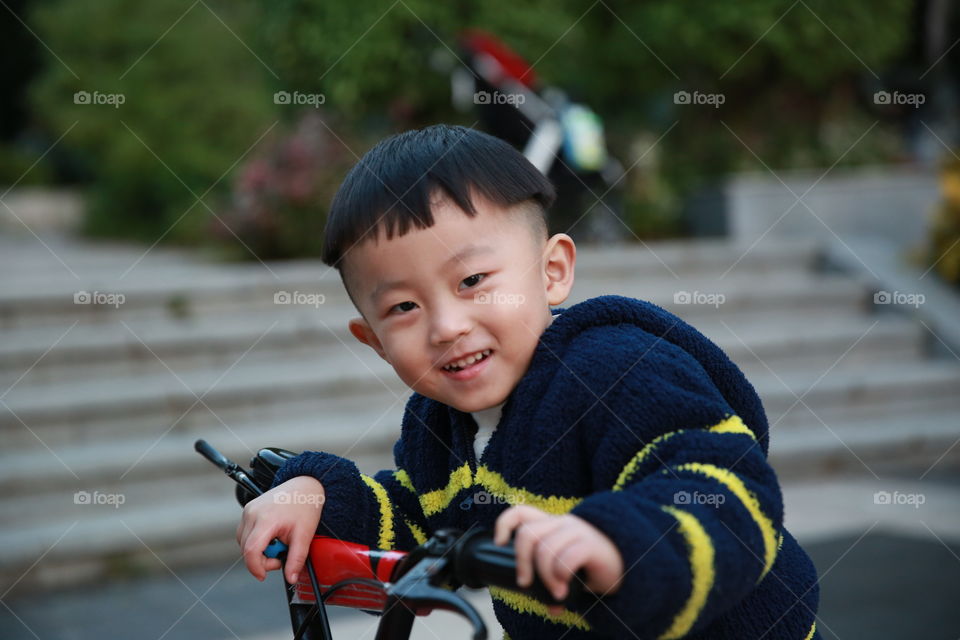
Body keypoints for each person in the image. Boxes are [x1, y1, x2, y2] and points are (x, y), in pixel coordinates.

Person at [236, 124, 820, 639]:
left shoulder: (617, 373)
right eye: (405, 307)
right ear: (374, 341)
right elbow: (423, 522)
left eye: (471, 280)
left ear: (553, 272)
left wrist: (620, 542)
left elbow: (722, 487)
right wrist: (316, 493)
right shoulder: (437, 422)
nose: (446, 326)